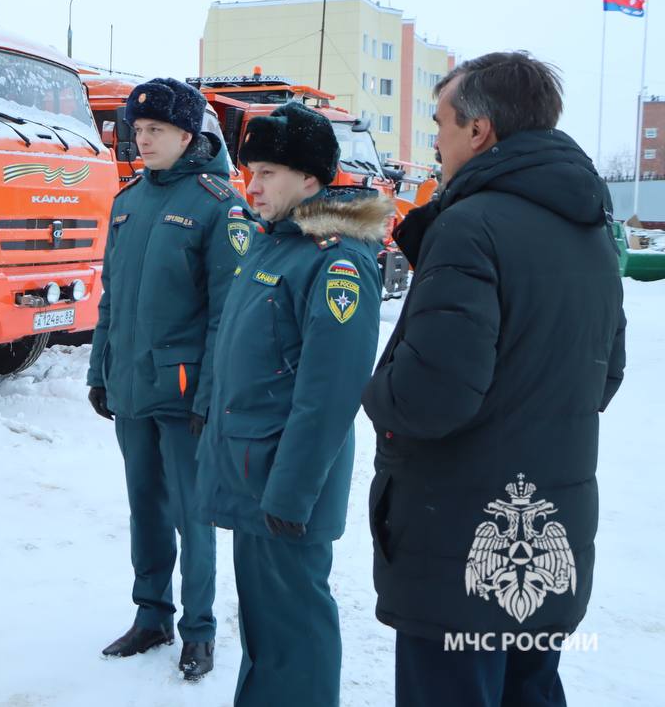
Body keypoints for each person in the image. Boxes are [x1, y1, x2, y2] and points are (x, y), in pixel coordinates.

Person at [362, 52, 627, 707]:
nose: (436, 143)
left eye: (440, 126)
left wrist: (374, 390)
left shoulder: (470, 224)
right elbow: (605, 376)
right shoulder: (590, 229)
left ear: (479, 130)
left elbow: (430, 396)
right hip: (548, 535)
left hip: (460, 547)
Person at [196, 101, 394, 706]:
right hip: (255, 470)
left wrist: (291, 493)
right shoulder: (275, 242)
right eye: (249, 170)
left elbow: (329, 395)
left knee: (294, 630)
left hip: (284, 485)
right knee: (266, 628)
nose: (250, 184)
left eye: (268, 174)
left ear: (310, 180)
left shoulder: (333, 260)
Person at [86, 77, 242, 681]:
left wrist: (208, 396)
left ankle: (198, 629)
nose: (143, 140)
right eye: (138, 130)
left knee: (190, 513)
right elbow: (111, 296)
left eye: (156, 131)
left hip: (183, 396)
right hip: (131, 388)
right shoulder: (127, 200)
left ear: (188, 134)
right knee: (143, 508)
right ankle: (152, 615)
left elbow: (227, 316)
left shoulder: (217, 204)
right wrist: (101, 368)